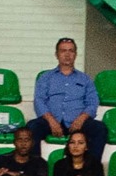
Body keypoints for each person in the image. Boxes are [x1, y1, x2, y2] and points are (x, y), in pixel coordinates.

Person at [30, 37, 105, 165]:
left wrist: (81, 119)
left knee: (100, 129)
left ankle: (90, 170)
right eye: (63, 51)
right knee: (32, 128)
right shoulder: (45, 77)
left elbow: (92, 102)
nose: (67, 54)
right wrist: (51, 120)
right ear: (56, 54)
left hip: (78, 122)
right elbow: (39, 100)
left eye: (71, 51)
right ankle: (36, 169)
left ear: (75, 54)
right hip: (51, 121)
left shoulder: (85, 79)